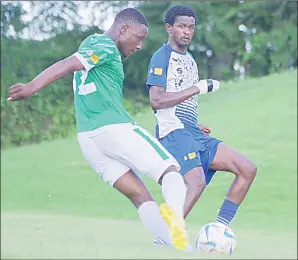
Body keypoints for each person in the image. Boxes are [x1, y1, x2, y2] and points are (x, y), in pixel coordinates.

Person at [7, 8, 191, 252]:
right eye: (139, 38)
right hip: (114, 128)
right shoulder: (105, 46)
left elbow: (74, 63)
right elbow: (68, 64)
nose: (139, 46)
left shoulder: (91, 43)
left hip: (88, 139)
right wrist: (32, 86)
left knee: (139, 196)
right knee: (170, 170)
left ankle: (180, 249)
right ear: (123, 29)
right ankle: (177, 218)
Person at [146, 5, 257, 245]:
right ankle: (163, 240)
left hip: (192, 132)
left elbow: (181, 100)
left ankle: (219, 231)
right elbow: (156, 101)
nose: (187, 31)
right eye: (181, 26)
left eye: (191, 27)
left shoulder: (191, 61)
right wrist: (198, 88)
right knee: (195, 183)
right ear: (169, 28)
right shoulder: (161, 56)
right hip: (173, 132)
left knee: (247, 169)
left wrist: (195, 124)